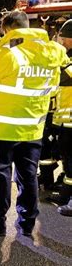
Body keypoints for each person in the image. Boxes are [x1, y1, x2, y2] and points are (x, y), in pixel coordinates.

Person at [0, 11, 68, 236]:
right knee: (28, 175)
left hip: (2, 128)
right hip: (32, 127)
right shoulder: (52, 52)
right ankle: (27, 222)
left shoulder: (7, 54)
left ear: (8, 28)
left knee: (0, 177)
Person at [50, 19, 72, 216]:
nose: (62, 43)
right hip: (65, 123)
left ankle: (69, 199)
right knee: (68, 161)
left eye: (65, 39)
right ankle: (66, 195)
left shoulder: (68, 62)